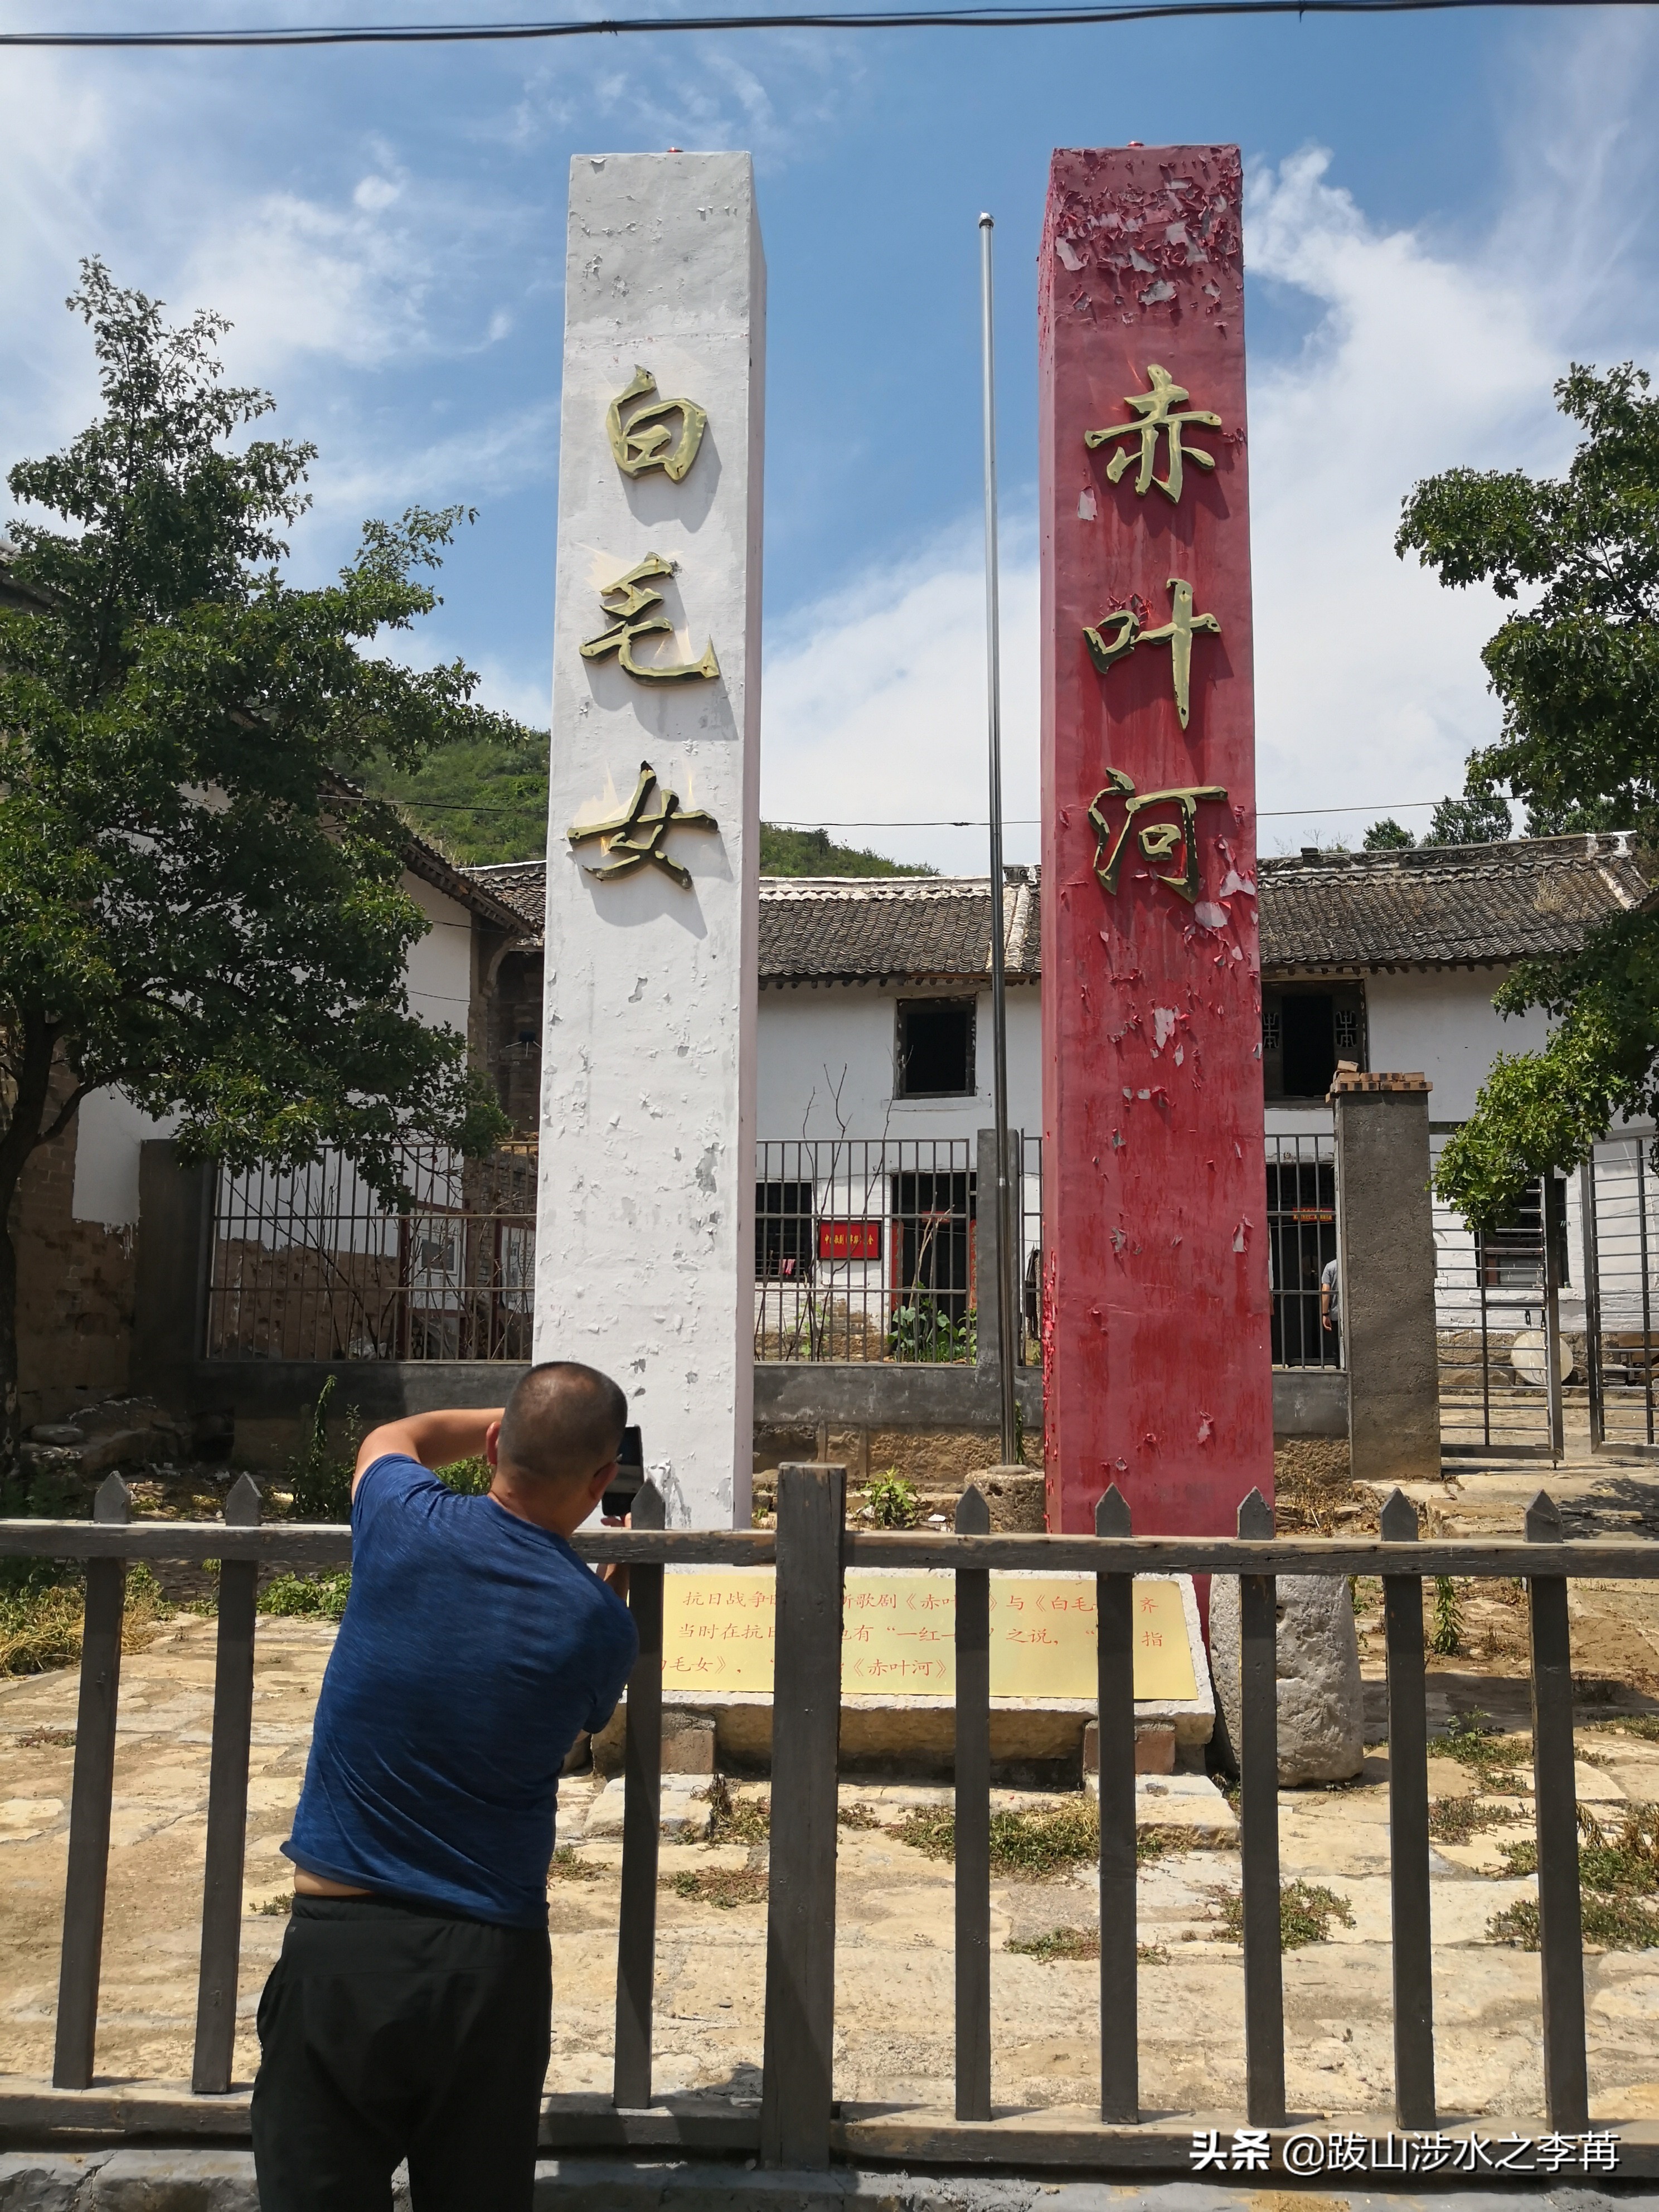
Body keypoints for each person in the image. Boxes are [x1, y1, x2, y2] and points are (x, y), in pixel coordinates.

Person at [250, 1362, 638, 2212]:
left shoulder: (400, 1517)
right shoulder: (598, 1625)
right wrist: (606, 1593)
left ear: (498, 1443)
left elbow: (396, 1440)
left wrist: (498, 1418)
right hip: (486, 1962)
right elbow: (575, 1721)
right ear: (605, 1479)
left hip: (339, 1940)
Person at [1319, 1254, 1342, 1360]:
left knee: (1338, 1348)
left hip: (1336, 1314)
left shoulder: (1331, 1267)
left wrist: (1325, 1313)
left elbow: (1326, 1290)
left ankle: (1339, 1367)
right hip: (1352, 1314)